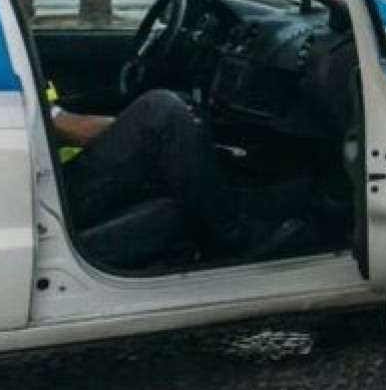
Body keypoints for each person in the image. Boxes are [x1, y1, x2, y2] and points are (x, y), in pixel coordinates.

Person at [49, 85, 309, 263]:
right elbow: (76, 130)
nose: (28, 1)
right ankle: (232, 236)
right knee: (161, 110)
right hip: (59, 193)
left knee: (172, 117)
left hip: (51, 183)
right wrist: (147, 128)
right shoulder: (10, 63)